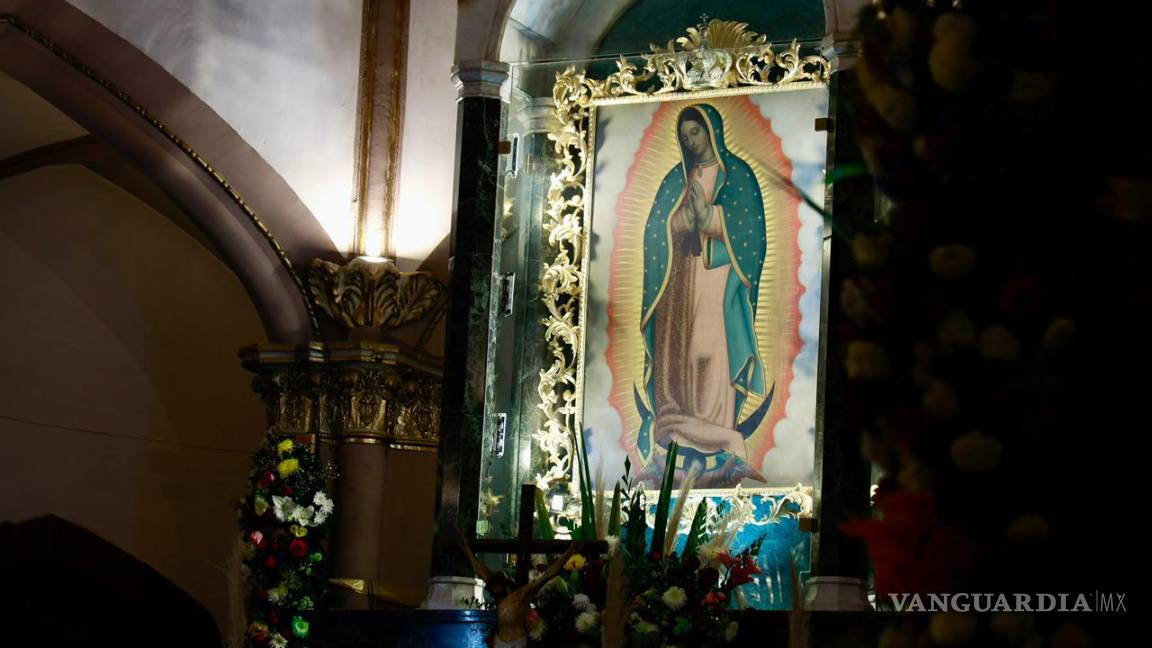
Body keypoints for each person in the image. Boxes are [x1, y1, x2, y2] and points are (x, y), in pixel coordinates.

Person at [636, 103, 772, 481]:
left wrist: (710, 218)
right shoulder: (675, 180)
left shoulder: (738, 176)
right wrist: (685, 220)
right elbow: (655, 232)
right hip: (679, 283)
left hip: (718, 278)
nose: (691, 141)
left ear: (712, 131)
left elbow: (752, 235)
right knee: (679, 352)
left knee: (709, 351)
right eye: (685, 136)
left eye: (695, 132)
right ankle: (676, 424)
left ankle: (717, 429)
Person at [457, 532, 579, 648]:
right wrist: (466, 549)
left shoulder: (522, 595)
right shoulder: (500, 598)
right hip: (500, 642)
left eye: (496, 587)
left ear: (503, 585)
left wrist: (569, 552)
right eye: (493, 587)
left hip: (516, 642)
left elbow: (547, 575)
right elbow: (480, 570)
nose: (494, 590)